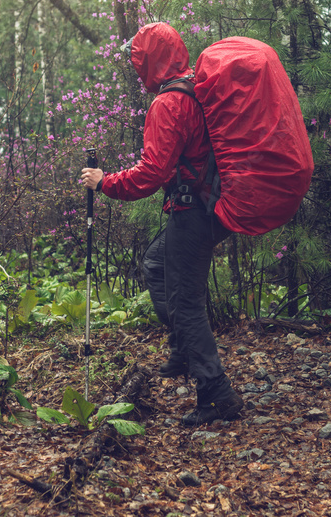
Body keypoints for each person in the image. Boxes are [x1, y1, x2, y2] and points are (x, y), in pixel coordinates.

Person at [79, 22, 244, 426]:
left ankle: (216, 393)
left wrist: (105, 183)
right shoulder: (195, 89)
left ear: (151, 60)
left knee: (186, 304)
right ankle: (185, 350)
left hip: (192, 211)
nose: (138, 71)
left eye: (140, 61)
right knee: (155, 265)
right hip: (207, 206)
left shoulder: (169, 103)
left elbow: (152, 173)